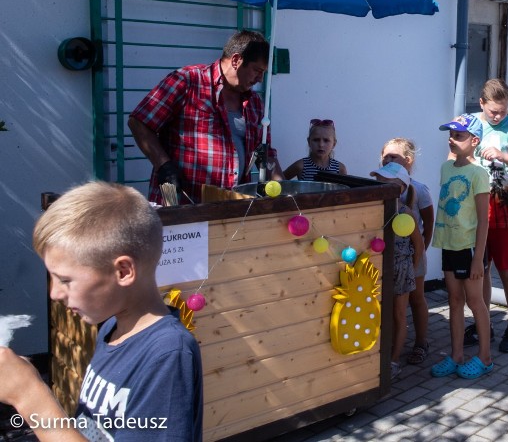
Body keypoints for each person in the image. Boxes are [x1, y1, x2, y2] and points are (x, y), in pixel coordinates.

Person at [0, 181, 203, 441]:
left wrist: (28, 394)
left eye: (65, 280)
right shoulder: (111, 327)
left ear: (123, 272)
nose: (54, 294)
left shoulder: (168, 354)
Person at [128, 30, 283, 205]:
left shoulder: (254, 102)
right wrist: (163, 165)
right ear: (236, 60)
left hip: (231, 207)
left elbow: (266, 152)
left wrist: (287, 194)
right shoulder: (187, 81)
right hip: (182, 204)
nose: (260, 79)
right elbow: (139, 122)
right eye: (257, 70)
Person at [460, 79, 508, 353]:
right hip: (474, 205)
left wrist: (505, 156)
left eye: (502, 111)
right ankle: (484, 324)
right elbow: (452, 156)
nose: (498, 116)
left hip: (505, 204)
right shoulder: (469, 122)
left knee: (507, 268)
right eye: (493, 111)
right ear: (481, 103)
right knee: (479, 269)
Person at [430, 113, 493, 380]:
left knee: (475, 302)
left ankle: (485, 357)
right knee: (454, 300)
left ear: (474, 140)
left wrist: (478, 258)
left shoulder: (479, 174)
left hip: (469, 248)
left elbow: (483, 221)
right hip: (450, 245)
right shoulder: (446, 168)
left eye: (458, 136)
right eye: (450, 135)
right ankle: (456, 355)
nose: (452, 140)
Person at [380, 138, 435, 366]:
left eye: (394, 157)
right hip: (390, 256)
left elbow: (429, 224)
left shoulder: (419, 190)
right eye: (385, 156)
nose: (388, 160)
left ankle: (421, 342)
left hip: (412, 255)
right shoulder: (381, 187)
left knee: (416, 298)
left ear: (408, 160)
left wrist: (420, 255)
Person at [369, 162, 425, 380]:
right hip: (379, 270)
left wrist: (410, 268)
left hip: (401, 270)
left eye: (387, 184)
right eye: (378, 182)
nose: (380, 187)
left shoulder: (406, 213)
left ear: (401, 188)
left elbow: (418, 245)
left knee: (399, 315)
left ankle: (393, 361)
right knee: (380, 314)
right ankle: (378, 355)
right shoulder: (375, 211)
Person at [283, 119, 348, 181]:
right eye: (316, 140)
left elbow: (345, 191)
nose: (321, 145)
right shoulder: (301, 166)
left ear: (334, 144)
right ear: (309, 142)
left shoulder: (340, 168)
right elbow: (280, 181)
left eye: (326, 140)